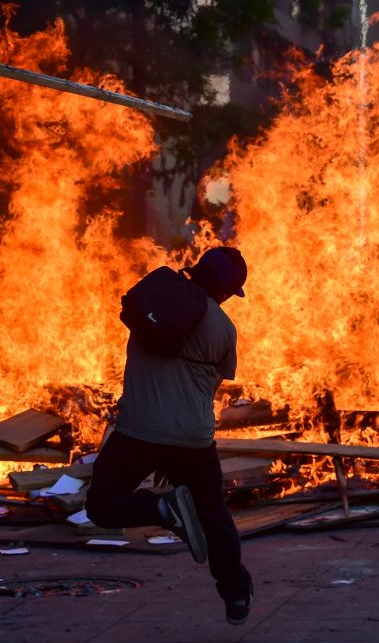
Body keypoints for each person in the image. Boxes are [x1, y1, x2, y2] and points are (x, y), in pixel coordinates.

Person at [85, 247, 254, 625]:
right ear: (226, 291)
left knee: (101, 504)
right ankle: (237, 593)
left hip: (138, 431)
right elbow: (214, 382)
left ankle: (160, 509)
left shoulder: (154, 298)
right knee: (214, 517)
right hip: (191, 438)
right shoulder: (224, 328)